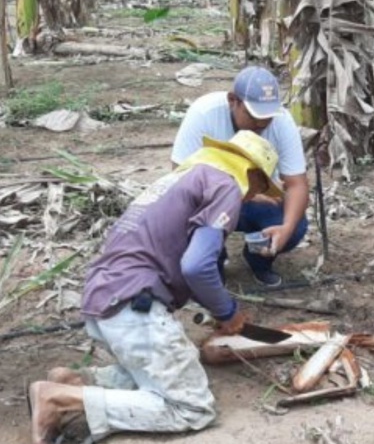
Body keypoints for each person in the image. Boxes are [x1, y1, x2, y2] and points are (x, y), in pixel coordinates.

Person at [28, 131, 283, 444]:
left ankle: (76, 380)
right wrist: (226, 311)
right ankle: (60, 399)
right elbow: (197, 265)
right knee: (192, 407)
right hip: (135, 303)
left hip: (106, 295)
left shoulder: (187, 177)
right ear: (252, 172)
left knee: (170, 367)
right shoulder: (226, 184)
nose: (251, 196)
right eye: (259, 186)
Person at [171, 65, 308, 287]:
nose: (262, 123)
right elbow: (180, 177)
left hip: (258, 201)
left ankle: (259, 260)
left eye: (268, 117)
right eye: (254, 116)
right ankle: (213, 263)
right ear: (233, 100)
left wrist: (287, 228)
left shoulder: (282, 120)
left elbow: (297, 184)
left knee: (294, 223)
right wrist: (242, 194)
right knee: (185, 212)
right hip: (208, 200)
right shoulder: (204, 113)